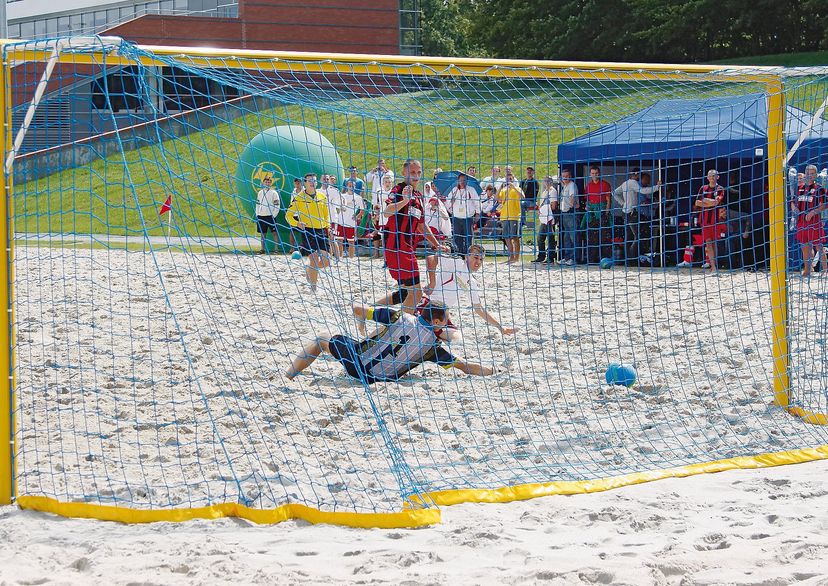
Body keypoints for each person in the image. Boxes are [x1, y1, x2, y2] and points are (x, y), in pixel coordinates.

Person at [287, 301, 494, 383]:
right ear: (437, 322)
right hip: (378, 380)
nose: (448, 323)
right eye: (446, 319)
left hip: (356, 364)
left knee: (322, 338)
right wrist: (494, 371)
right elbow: (465, 367)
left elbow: (357, 309)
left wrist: (361, 325)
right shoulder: (432, 348)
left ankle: (289, 376)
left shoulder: (398, 316)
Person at [377, 159, 449, 313]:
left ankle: (366, 311)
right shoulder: (398, 189)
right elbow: (387, 211)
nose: (416, 176)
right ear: (404, 173)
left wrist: (437, 244)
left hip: (407, 248)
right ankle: (400, 327)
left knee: (405, 294)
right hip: (398, 248)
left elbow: (422, 226)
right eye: (412, 172)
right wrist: (404, 201)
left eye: (418, 172)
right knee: (416, 294)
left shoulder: (418, 196)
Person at [422, 245, 517, 343]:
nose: (478, 262)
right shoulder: (457, 263)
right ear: (467, 256)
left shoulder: (471, 282)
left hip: (441, 314)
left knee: (458, 340)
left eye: (481, 259)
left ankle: (432, 337)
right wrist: (432, 283)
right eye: (475, 257)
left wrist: (501, 328)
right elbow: (431, 258)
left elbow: (479, 309)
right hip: (428, 305)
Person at [285, 173, 331, 291]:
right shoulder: (299, 198)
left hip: (322, 230)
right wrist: (297, 223)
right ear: (305, 183)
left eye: (314, 181)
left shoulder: (322, 197)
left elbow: (326, 215)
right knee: (314, 260)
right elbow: (288, 215)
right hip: (308, 231)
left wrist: (329, 227)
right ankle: (313, 287)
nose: (312, 182)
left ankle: (309, 270)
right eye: (310, 180)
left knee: (326, 262)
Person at [614, 168, 659, 263]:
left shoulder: (625, 183)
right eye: (639, 175)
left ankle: (629, 260)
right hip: (631, 213)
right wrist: (657, 187)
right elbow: (643, 191)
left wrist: (623, 203)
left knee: (629, 237)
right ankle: (632, 257)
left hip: (625, 212)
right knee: (638, 236)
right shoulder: (633, 183)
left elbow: (615, 193)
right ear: (636, 174)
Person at [792, 164, 828, 277]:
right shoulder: (799, 188)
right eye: (807, 173)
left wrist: (814, 212)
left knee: (818, 246)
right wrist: (795, 209)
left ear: (816, 175)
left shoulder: (819, 188)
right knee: (804, 247)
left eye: (812, 173)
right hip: (801, 222)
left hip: (814, 222)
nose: (809, 175)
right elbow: (792, 202)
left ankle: (825, 270)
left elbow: (826, 204)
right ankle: (807, 270)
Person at [695, 169, 726, 273]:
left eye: (714, 176)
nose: (712, 178)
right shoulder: (703, 188)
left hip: (716, 220)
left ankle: (714, 264)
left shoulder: (720, 188)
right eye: (710, 176)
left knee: (714, 243)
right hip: (705, 220)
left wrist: (706, 201)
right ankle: (713, 267)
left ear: (718, 177)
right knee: (708, 242)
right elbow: (697, 203)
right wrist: (708, 203)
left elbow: (716, 202)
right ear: (707, 177)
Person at [445, 172, 481, 256]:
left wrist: (478, 213)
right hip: (457, 217)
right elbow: (447, 203)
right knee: (457, 237)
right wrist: (451, 202)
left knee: (468, 237)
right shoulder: (454, 190)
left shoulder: (471, 189)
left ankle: (469, 254)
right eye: (460, 180)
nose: (462, 182)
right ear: (458, 181)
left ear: (466, 181)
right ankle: (459, 254)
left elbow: (477, 202)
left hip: (468, 217)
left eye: (464, 180)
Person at [582, 165, 612, 264]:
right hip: (592, 214)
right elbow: (587, 200)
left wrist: (606, 212)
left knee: (604, 237)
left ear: (599, 174)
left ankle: (605, 259)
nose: (594, 175)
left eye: (596, 173)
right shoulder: (588, 186)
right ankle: (591, 259)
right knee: (592, 237)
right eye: (593, 173)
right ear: (590, 174)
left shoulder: (605, 184)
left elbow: (608, 200)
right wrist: (588, 209)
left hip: (602, 213)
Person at [497, 167, 524, 264]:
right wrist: (500, 187)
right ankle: (511, 256)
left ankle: (516, 257)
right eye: (508, 179)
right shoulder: (503, 190)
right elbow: (497, 199)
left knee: (515, 237)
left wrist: (514, 187)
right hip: (504, 216)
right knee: (506, 237)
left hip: (514, 216)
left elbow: (523, 196)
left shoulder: (517, 188)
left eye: (511, 179)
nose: (509, 180)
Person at [369, 173, 395, 260]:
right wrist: (376, 214)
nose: (388, 183)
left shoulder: (394, 193)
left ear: (391, 183)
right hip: (383, 218)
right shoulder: (380, 192)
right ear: (383, 183)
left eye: (389, 182)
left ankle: (392, 257)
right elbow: (377, 205)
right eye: (386, 182)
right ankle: (385, 258)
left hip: (392, 218)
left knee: (392, 238)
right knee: (383, 238)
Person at [338, 180, 366, 258]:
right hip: (341, 221)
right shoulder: (342, 196)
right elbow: (337, 207)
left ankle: (351, 258)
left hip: (351, 223)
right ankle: (340, 258)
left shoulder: (358, 197)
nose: (351, 187)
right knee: (340, 241)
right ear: (347, 186)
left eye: (353, 185)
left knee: (351, 242)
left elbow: (362, 210)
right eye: (349, 185)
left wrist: (357, 217)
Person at [532, 176, 557, 264]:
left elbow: (554, 205)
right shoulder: (544, 192)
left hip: (549, 217)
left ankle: (550, 257)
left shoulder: (553, 191)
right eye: (545, 181)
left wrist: (545, 209)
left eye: (548, 181)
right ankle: (541, 256)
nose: (546, 182)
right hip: (544, 217)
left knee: (550, 238)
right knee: (540, 238)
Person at [254, 176, 281, 254]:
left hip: (270, 216)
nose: (267, 183)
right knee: (263, 234)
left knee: (274, 233)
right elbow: (257, 204)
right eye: (266, 182)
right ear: (263, 183)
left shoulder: (274, 193)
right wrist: (257, 214)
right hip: (261, 216)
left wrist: (273, 215)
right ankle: (262, 249)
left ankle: (276, 249)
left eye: (269, 182)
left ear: (271, 183)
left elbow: (277, 205)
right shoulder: (260, 192)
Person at [558, 169, 579, 265]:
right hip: (564, 213)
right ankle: (567, 257)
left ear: (570, 176)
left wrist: (573, 203)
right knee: (566, 237)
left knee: (573, 236)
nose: (565, 178)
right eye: (563, 176)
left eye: (567, 176)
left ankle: (574, 258)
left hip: (571, 213)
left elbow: (572, 196)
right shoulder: (565, 186)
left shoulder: (571, 185)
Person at [322, 175, 343, 259]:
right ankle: (328, 257)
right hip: (320, 219)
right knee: (323, 239)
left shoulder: (334, 191)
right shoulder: (317, 191)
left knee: (332, 238)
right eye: (324, 179)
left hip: (332, 219)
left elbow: (340, 204)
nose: (326, 180)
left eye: (327, 179)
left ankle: (338, 258)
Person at [520, 166, 539, 231]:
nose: (529, 172)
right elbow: (519, 190)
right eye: (528, 170)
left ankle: (523, 223)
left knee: (521, 203)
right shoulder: (523, 181)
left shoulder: (535, 182)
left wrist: (523, 198)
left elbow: (533, 194)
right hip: (523, 200)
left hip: (531, 201)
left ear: (533, 172)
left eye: (530, 171)